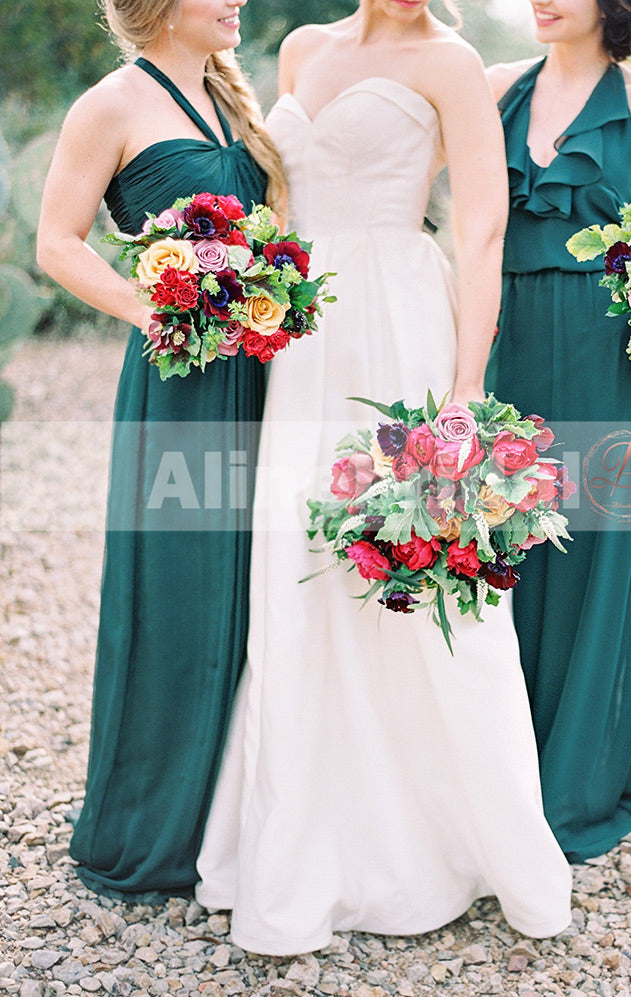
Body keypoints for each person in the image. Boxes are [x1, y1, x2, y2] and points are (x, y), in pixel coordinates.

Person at [195, 0, 572, 955]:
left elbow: (479, 233)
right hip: (303, 337)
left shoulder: (451, 62)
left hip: (399, 326)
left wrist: (465, 393)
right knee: (300, 576)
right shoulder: (301, 47)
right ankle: (304, 841)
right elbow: (279, 205)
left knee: (406, 564)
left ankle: (443, 839)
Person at [36, 0, 284, 898]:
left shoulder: (230, 96)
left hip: (261, 374)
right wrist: (152, 308)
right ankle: (153, 825)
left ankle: (238, 820)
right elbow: (56, 241)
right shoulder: (109, 103)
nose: (237, 1)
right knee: (179, 582)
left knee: (256, 580)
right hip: (180, 382)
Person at [483, 0, 631, 862]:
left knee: (598, 546)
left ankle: (578, 778)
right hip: (506, 343)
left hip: (607, 361)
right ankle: (493, 769)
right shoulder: (493, 89)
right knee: (502, 542)